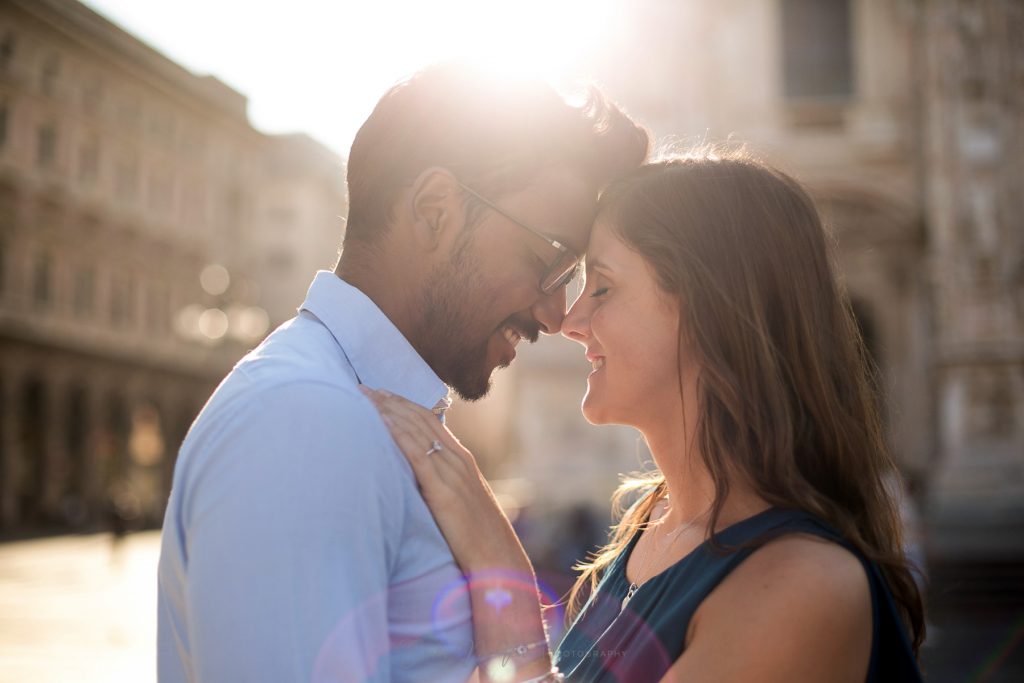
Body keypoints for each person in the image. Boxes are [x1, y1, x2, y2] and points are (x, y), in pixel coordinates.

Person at [156, 62, 648, 682]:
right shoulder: (305, 420)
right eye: (549, 261)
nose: (556, 313)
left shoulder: (361, 417)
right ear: (435, 210)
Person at [363, 150, 926, 682]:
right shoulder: (651, 525)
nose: (570, 321)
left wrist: (496, 564)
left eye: (602, 288)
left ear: (713, 313)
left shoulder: (803, 585)